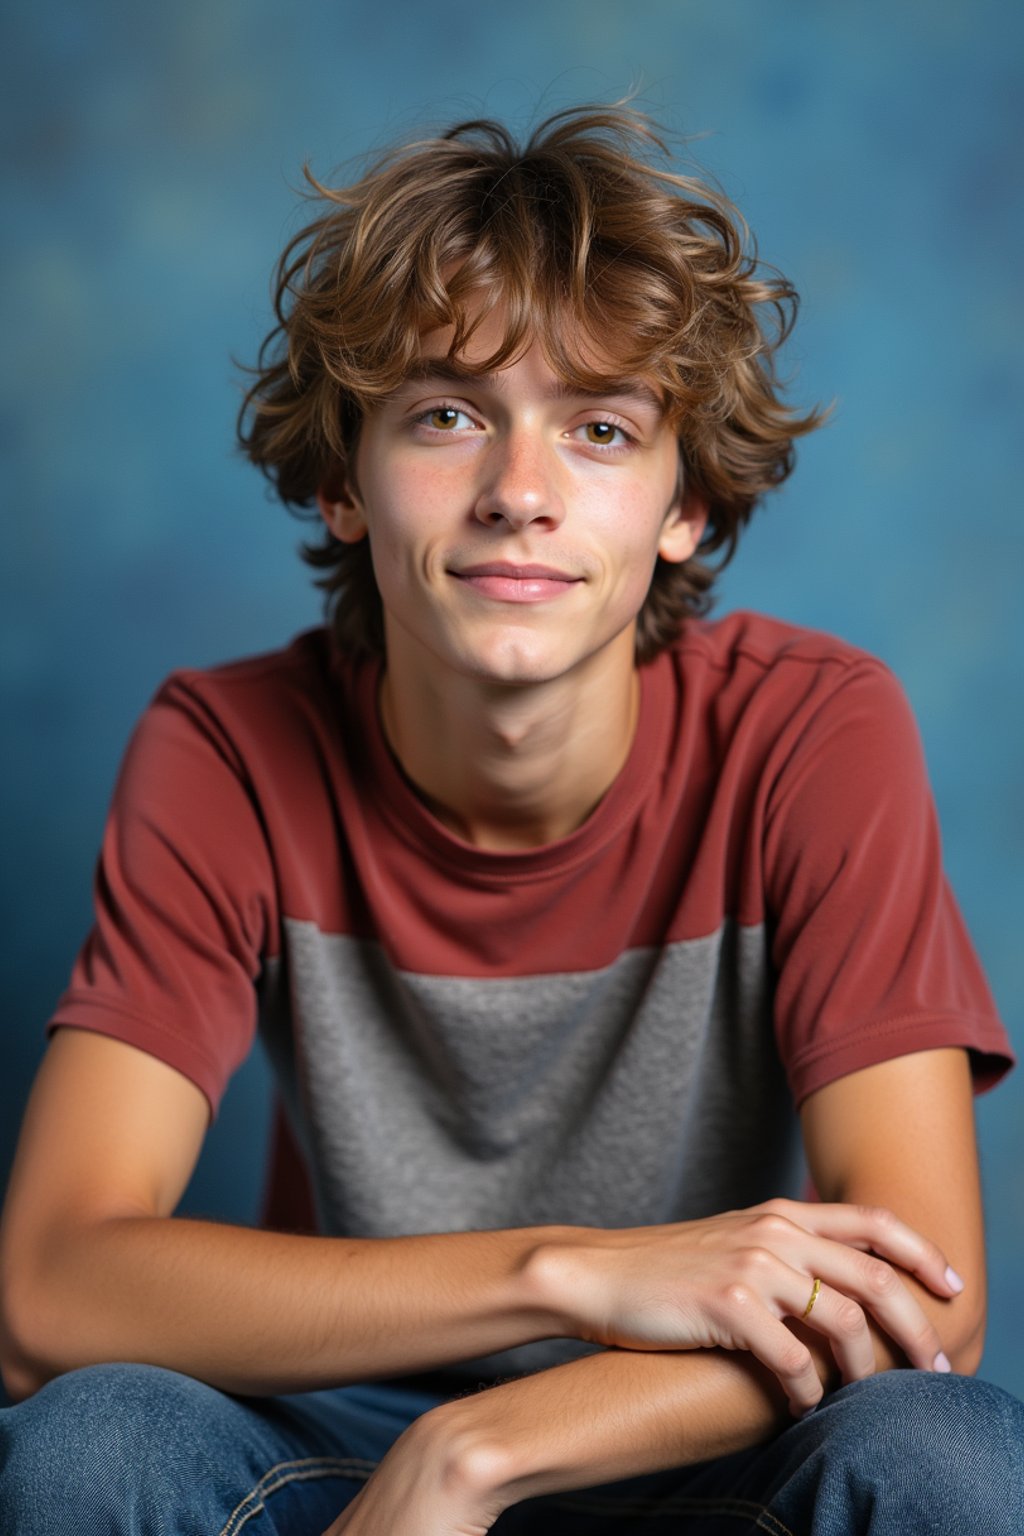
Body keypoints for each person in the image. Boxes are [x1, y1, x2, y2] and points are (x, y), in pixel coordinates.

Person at [0, 103, 1020, 1536]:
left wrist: (479, 1454)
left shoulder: (814, 732)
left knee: (943, 1450)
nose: (520, 495)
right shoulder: (227, 751)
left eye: (601, 428)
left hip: (698, 1417)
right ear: (342, 481)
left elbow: (920, 1306)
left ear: (688, 505)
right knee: (93, 1441)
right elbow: (49, 1295)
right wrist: (566, 1271)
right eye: (446, 416)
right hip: (346, 1422)